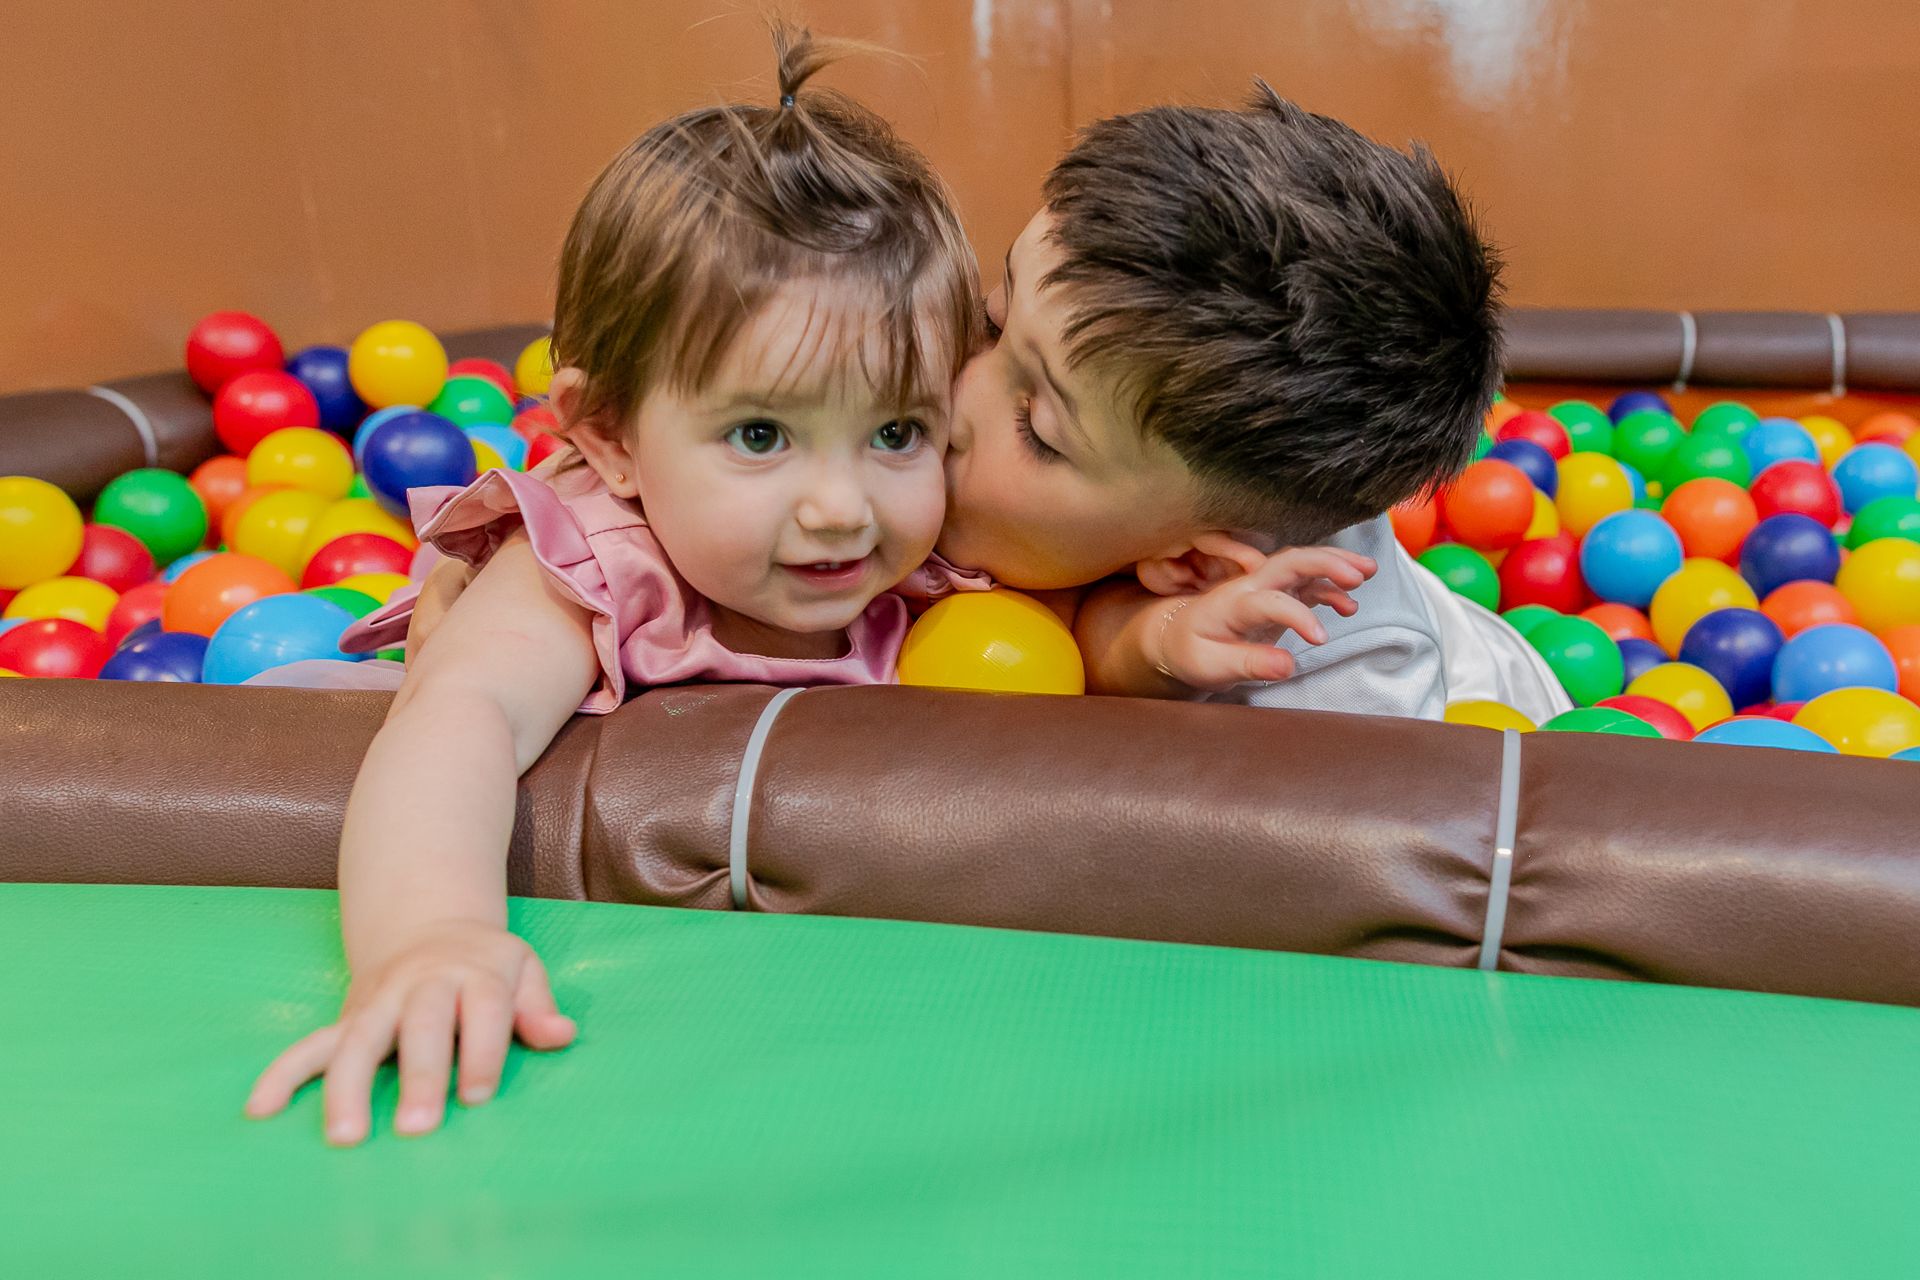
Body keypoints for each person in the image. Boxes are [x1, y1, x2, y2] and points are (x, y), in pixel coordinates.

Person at [244, 28, 1371, 1147]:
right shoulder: (597, 561)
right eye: (759, 434)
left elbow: (1070, 638)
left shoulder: (925, 550)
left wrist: (1163, 643)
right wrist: (429, 933)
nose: (841, 505)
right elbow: (461, 712)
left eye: (893, 428)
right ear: (613, 437)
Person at [942, 91, 1570, 719]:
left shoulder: (1340, 701)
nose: (954, 391)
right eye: (993, 318)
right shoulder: (1145, 496)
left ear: (1193, 565)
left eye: (1039, 431)